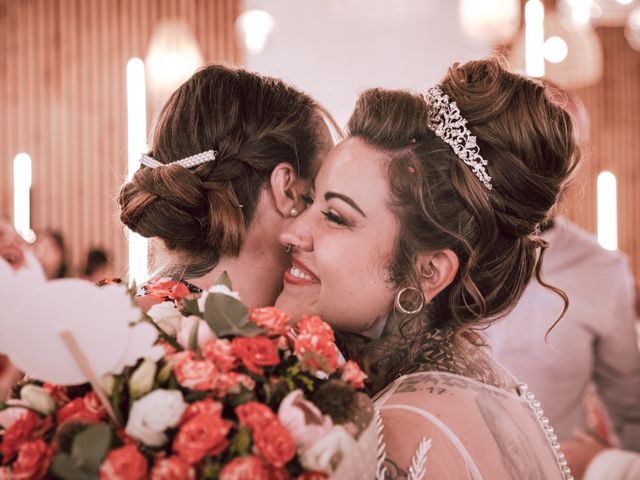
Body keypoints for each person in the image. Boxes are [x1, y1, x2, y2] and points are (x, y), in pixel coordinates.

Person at [275, 58, 579, 478]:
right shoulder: (494, 387)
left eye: (336, 217)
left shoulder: (396, 433)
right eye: (309, 202)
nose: (291, 232)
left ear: (429, 272)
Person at [119, 64, 335, 308]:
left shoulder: (117, 321)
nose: (329, 225)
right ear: (288, 190)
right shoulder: (291, 341)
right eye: (323, 199)